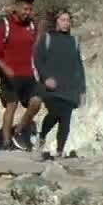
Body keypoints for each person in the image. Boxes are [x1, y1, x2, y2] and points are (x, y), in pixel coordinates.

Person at [0, 0, 42, 151]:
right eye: (25, 9)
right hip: (10, 75)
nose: (27, 12)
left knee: (36, 103)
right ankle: (6, 143)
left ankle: (18, 130)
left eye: (29, 9)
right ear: (16, 7)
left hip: (28, 74)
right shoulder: (4, 26)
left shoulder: (31, 26)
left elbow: (36, 46)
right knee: (11, 106)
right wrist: (4, 67)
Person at [34, 10, 87, 160]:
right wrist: (46, 78)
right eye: (63, 20)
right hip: (51, 87)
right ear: (56, 21)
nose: (66, 23)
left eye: (68, 20)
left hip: (70, 87)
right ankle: (42, 135)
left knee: (66, 119)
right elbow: (38, 60)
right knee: (55, 113)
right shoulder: (47, 38)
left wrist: (82, 89)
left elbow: (79, 66)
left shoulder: (74, 41)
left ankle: (60, 150)